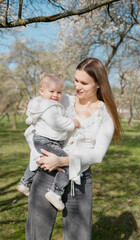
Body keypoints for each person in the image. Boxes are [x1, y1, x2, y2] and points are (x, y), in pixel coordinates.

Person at [25, 58, 122, 240]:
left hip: (79, 181)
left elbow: (97, 155)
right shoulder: (62, 100)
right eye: (76, 80)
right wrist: (39, 153)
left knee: (79, 236)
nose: (77, 86)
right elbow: (32, 129)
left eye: (84, 82)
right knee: (36, 235)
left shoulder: (105, 114)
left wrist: (62, 161)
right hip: (46, 173)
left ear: (99, 84)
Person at [16, 73, 80, 210]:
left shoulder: (41, 104)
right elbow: (57, 122)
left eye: (59, 92)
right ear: (42, 91)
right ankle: (55, 192)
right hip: (47, 141)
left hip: (42, 139)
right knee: (68, 164)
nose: (55, 95)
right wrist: (72, 124)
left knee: (36, 159)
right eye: (51, 91)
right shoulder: (49, 106)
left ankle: (24, 182)